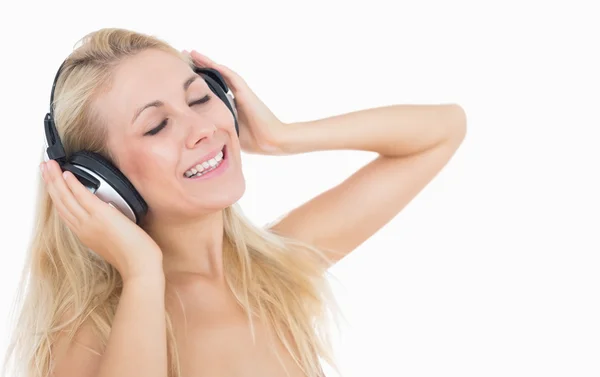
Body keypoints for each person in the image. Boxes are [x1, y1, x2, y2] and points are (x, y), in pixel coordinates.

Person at [2, 28, 466, 377]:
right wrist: (143, 274)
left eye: (201, 98)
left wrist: (284, 137)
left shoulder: (274, 274)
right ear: (99, 182)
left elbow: (443, 130)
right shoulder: (88, 329)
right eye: (156, 126)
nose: (202, 127)